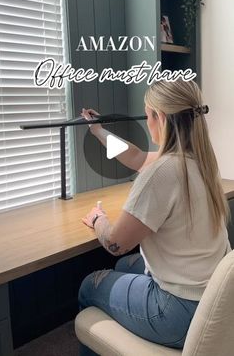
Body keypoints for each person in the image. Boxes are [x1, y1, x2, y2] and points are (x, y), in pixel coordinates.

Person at [78, 80, 231, 355]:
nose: (147, 122)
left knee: (90, 285)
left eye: (148, 115)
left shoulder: (161, 173)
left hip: (178, 311)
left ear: (160, 117)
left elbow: (115, 244)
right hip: (213, 299)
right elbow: (136, 156)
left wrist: (98, 218)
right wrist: (98, 131)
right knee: (127, 265)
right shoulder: (198, 161)